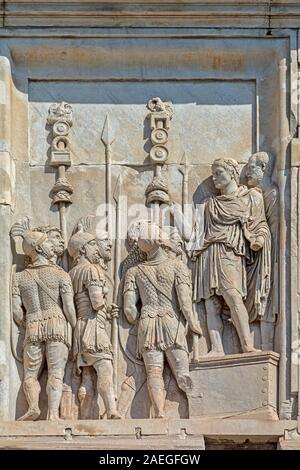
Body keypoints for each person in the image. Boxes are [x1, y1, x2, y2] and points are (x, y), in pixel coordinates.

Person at [171, 157, 271, 356]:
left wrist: (257, 238)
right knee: (211, 303)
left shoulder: (251, 197)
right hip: (208, 254)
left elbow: (261, 225)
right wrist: (176, 213)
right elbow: (194, 237)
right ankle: (216, 348)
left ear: (233, 173)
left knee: (233, 297)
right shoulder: (210, 205)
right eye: (213, 173)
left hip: (230, 252)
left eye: (219, 173)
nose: (215, 178)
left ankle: (247, 345)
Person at [123, 220, 201, 418]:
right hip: (170, 320)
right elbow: (184, 302)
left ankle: (158, 412)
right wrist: (193, 323)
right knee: (182, 371)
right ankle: (195, 410)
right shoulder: (177, 266)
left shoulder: (134, 272)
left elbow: (130, 310)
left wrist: (137, 318)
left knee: (154, 373)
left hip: (147, 323)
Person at [11, 218, 76, 421]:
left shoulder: (19, 277)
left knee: (30, 374)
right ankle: (53, 415)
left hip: (32, 325)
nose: (52, 246)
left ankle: (32, 406)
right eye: (48, 243)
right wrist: (75, 329)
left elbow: (16, 311)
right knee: (56, 372)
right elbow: (69, 308)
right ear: (39, 248)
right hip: (57, 324)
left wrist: (26, 321)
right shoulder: (60, 274)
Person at [68, 229, 121, 419]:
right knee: (105, 368)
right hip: (93, 327)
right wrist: (106, 296)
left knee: (87, 376)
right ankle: (112, 410)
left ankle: (86, 417)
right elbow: (97, 302)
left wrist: (107, 311)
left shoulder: (72, 273)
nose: (95, 249)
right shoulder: (92, 270)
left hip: (80, 327)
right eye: (91, 244)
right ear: (82, 249)